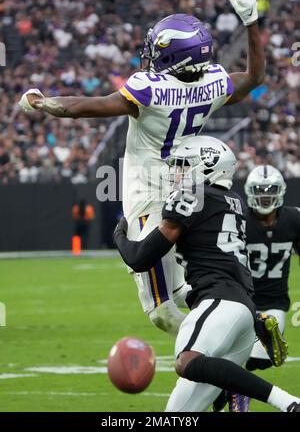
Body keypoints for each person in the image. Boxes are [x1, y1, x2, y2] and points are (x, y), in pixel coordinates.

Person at [18, 0, 265, 337]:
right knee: (187, 289)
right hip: (191, 190)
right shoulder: (213, 83)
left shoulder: (150, 89)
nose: (151, 56)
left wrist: (43, 103)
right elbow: (254, 77)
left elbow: (84, 106)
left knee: (162, 312)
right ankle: (241, 330)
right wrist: (252, 22)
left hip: (149, 196)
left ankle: (226, 348)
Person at [114, 135, 300, 412]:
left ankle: (288, 402)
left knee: (186, 360)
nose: (176, 172)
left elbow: (140, 257)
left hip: (219, 301)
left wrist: (120, 232)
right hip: (242, 311)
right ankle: (231, 386)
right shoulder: (232, 200)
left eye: (183, 165)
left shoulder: (192, 196)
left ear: (206, 167)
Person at [229, 165, 300, 410]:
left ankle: (230, 384)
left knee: (260, 361)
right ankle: (231, 388)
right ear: (250, 192)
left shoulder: (293, 219)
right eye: (260, 191)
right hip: (241, 299)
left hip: (275, 303)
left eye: (270, 191)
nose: (265, 196)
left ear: (280, 193)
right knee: (232, 353)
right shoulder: (240, 221)